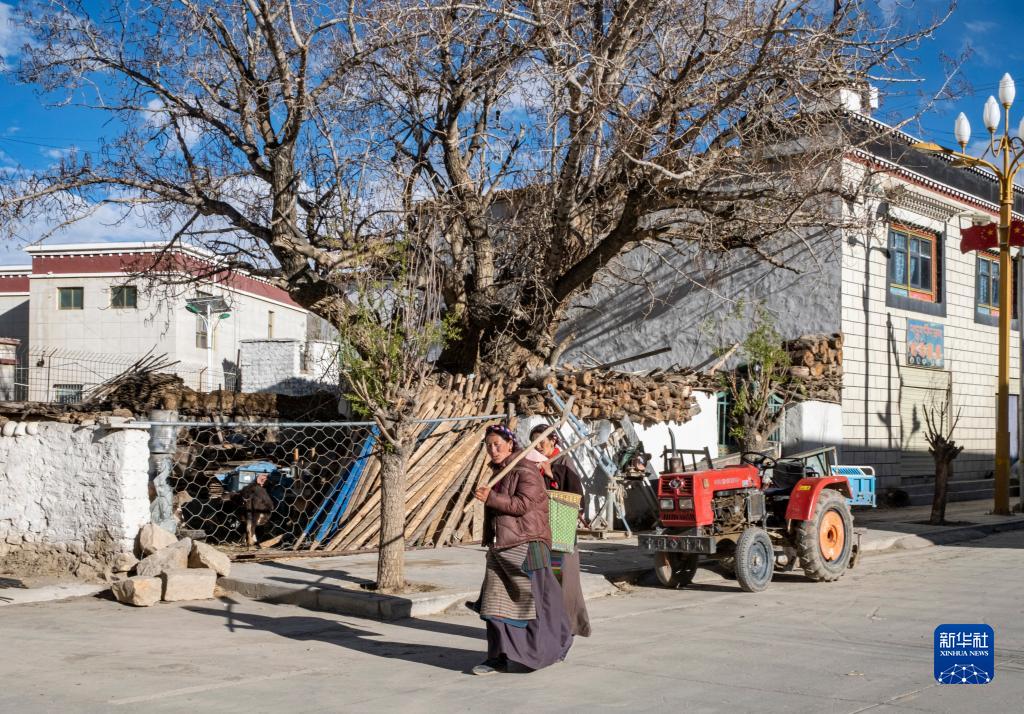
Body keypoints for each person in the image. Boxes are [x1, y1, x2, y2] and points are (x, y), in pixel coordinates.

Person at [471, 424, 573, 675]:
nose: (492, 450)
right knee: (494, 604)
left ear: (510, 444)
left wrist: (491, 498)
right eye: (488, 445)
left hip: (527, 546)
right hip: (502, 547)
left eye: (497, 445)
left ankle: (546, 648)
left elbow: (522, 505)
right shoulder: (499, 472)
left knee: (533, 603)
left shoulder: (525, 471)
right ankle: (497, 658)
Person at [530, 424, 592, 638]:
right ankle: (548, 626)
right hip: (539, 530)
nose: (538, 447)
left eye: (542, 442)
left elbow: (576, 495)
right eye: (534, 443)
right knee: (544, 580)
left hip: (561, 531)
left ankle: (568, 626)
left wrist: (551, 473)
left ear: (553, 441)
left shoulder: (563, 461)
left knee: (563, 579)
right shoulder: (531, 464)